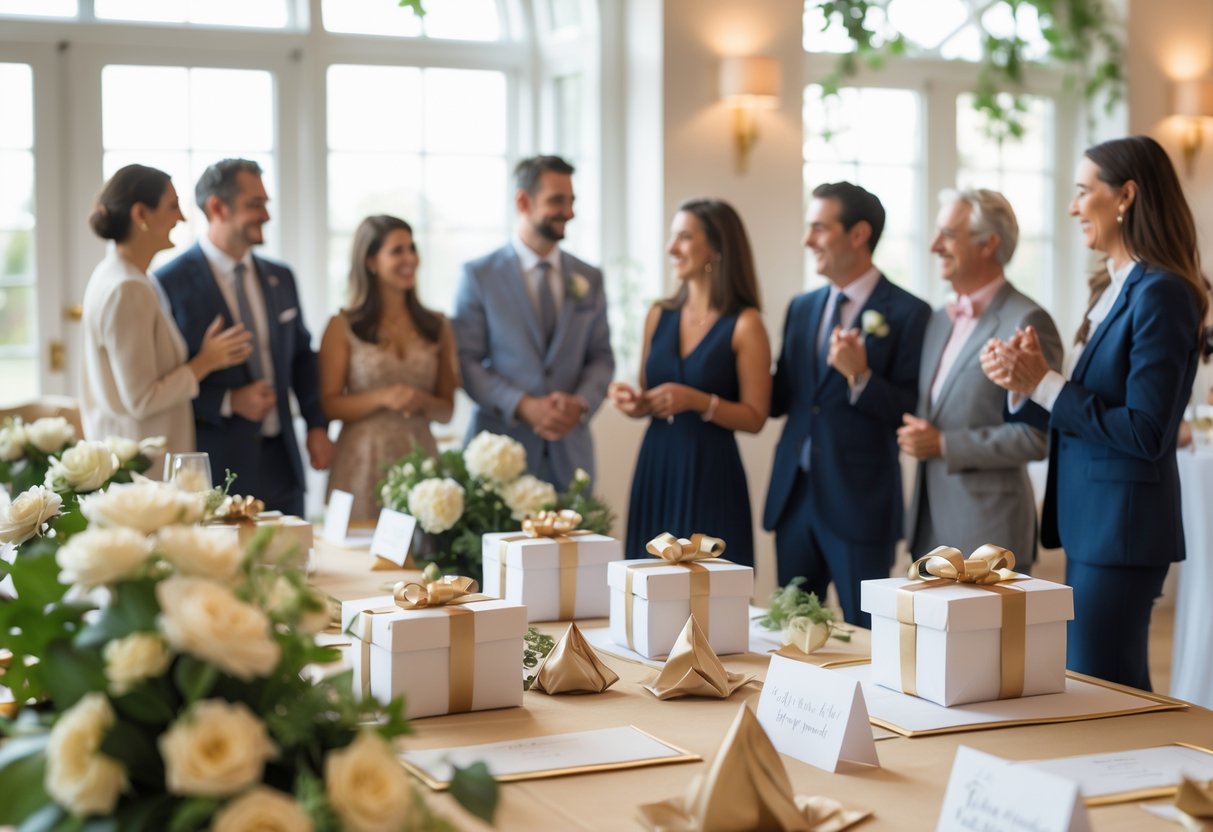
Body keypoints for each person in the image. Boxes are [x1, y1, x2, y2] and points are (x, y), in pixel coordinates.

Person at [982, 135, 1206, 690]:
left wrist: (1049, 384)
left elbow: (1146, 431)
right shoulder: (1110, 287)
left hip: (1122, 528)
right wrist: (1026, 387)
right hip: (1093, 522)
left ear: (1126, 196)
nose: (1073, 206)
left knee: (1108, 689)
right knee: (1097, 686)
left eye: (1084, 191)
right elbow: (1083, 420)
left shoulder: (1162, 293)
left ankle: (1156, 778)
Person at [763, 182, 930, 627]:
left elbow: (912, 409)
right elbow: (783, 400)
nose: (807, 239)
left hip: (861, 502)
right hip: (794, 498)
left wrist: (861, 377)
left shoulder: (910, 313)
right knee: (793, 631)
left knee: (866, 635)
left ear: (858, 234)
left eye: (819, 227)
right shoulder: (801, 308)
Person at [157, 159, 333, 515]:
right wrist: (227, 401)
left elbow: (301, 356)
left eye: (266, 203)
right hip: (217, 468)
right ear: (217, 207)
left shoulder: (280, 277)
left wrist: (317, 425)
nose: (266, 214)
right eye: (256, 204)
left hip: (284, 461)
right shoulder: (168, 283)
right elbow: (161, 384)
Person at [899, 188, 1062, 568]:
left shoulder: (1027, 321)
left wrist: (943, 444)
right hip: (928, 526)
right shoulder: (939, 320)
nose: (934, 246)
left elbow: (1036, 437)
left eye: (948, 235)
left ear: (989, 243)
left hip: (990, 532)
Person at [609, 199, 770, 566]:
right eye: (672, 237)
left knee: (709, 589)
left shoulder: (745, 324)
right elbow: (650, 397)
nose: (671, 249)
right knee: (647, 582)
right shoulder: (658, 315)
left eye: (684, 237)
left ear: (716, 247)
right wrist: (633, 402)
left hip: (710, 472)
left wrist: (699, 401)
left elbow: (756, 416)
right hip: (657, 464)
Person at [453, 155, 614, 489]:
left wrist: (579, 404)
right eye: (557, 200)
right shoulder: (479, 275)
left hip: (571, 458)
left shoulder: (589, 277)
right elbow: (466, 361)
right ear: (523, 201)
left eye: (571, 201)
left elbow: (601, 356)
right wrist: (524, 405)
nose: (569, 212)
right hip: (499, 455)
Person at [80, 164, 251, 470]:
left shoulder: (132, 277)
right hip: (144, 469)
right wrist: (206, 362)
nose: (182, 217)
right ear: (140, 215)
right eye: (172, 206)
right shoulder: (127, 288)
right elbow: (141, 399)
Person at [318, 215, 457, 521]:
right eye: (397, 251)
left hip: (419, 458)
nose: (410, 258)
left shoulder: (438, 326)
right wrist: (384, 396)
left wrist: (423, 402)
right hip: (362, 461)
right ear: (370, 261)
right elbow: (329, 405)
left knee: (423, 561)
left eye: (412, 248)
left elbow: (447, 411)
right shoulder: (342, 326)